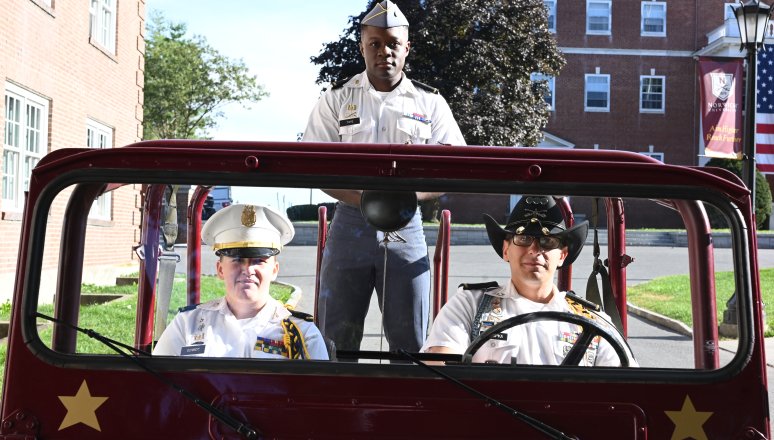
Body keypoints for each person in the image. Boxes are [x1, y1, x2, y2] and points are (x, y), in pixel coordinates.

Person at [302, 1, 466, 354]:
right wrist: (364, 199)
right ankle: (339, 406)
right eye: (375, 43)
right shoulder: (336, 100)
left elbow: (454, 168)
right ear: (362, 47)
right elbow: (314, 165)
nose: (384, 52)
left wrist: (409, 198)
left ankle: (408, 406)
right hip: (350, 222)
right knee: (335, 338)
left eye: (393, 43)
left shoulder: (431, 103)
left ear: (407, 48)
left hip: (406, 225)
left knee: (411, 343)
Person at [422, 196, 636, 366]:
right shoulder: (469, 305)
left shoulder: (594, 319)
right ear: (506, 250)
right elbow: (440, 368)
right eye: (523, 239)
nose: (535, 250)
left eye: (547, 241)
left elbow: (628, 387)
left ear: (561, 256)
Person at [153, 204, 328, 360]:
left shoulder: (302, 333)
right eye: (237, 259)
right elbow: (158, 388)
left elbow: (317, 393)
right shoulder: (187, 324)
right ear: (220, 269)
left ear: (274, 270)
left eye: (259, 260)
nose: (248, 270)